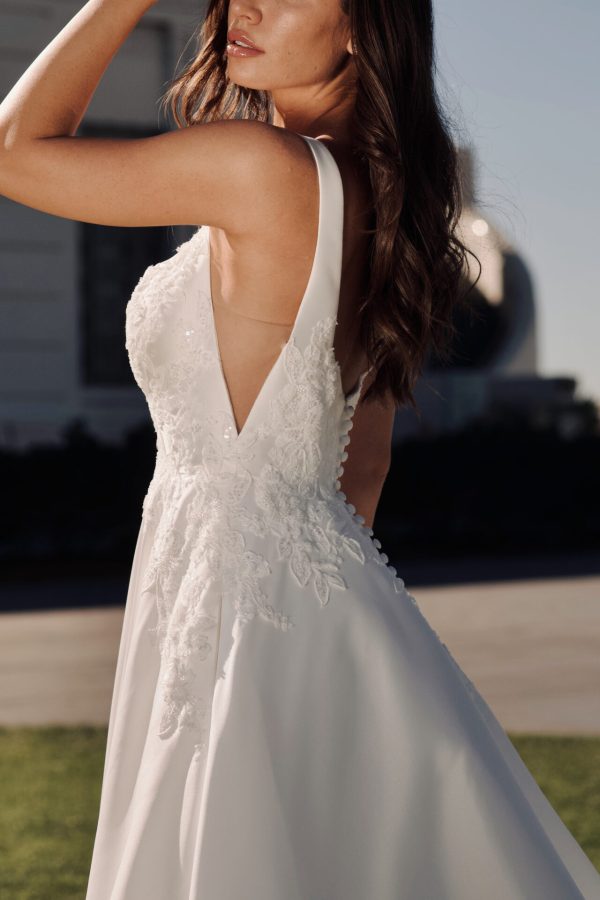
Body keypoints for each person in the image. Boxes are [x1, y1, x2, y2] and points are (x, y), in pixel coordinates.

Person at [1, 1, 599, 898]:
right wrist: (314, 625)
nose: (244, 2)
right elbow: (365, 466)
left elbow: (14, 151)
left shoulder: (260, 167)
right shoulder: (384, 206)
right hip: (292, 595)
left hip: (234, 602)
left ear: (364, 25)